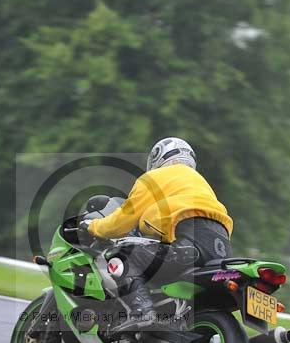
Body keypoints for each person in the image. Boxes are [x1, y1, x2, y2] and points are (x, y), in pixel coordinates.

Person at [79, 137, 234, 324]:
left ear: (158, 157)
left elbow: (120, 223)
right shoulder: (200, 184)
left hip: (189, 248)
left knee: (124, 255)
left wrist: (93, 226)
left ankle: (142, 312)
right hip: (220, 254)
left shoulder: (154, 178)